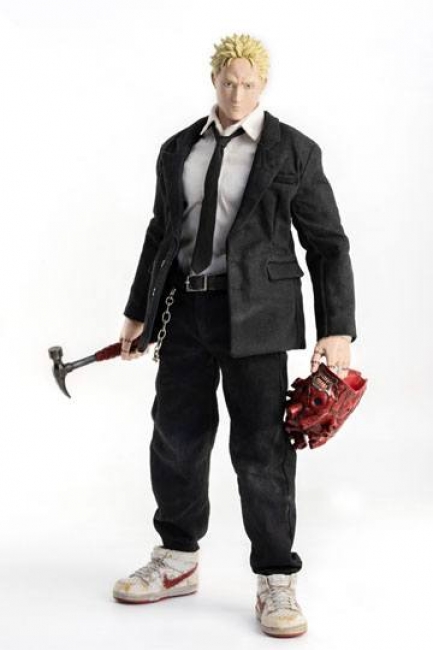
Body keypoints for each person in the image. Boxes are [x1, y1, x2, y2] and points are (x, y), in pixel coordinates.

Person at [113, 33, 357, 638]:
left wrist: (337, 329)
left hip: (258, 318)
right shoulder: (179, 149)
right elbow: (161, 231)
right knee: (176, 435)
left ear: (263, 84)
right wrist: (138, 312)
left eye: (249, 84)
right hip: (185, 313)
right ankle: (177, 558)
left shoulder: (293, 150)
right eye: (229, 81)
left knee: (261, 447)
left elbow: (328, 244)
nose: (238, 93)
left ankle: (275, 575)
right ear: (214, 80)